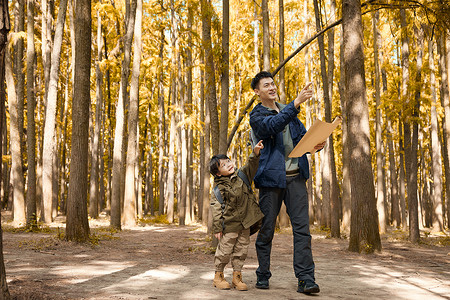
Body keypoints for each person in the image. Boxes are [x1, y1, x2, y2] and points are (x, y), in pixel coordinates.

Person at [249, 71, 325, 294]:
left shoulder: (287, 110)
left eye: (273, 84)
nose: (272, 87)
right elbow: (270, 127)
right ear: (257, 91)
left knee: (302, 230)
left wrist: (315, 144)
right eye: (266, 85)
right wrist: (296, 103)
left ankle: (306, 279)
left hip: (296, 179)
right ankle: (263, 274)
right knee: (267, 229)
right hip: (271, 181)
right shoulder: (257, 115)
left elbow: (302, 137)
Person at [209, 140, 265, 291]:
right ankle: (218, 276)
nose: (228, 164)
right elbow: (216, 209)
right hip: (229, 225)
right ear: (218, 173)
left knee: (241, 250)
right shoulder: (218, 189)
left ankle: (237, 277)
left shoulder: (242, 176)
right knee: (224, 251)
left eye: (228, 161)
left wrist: (255, 153)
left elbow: (251, 165)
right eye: (223, 164)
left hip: (245, 223)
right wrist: (217, 228)